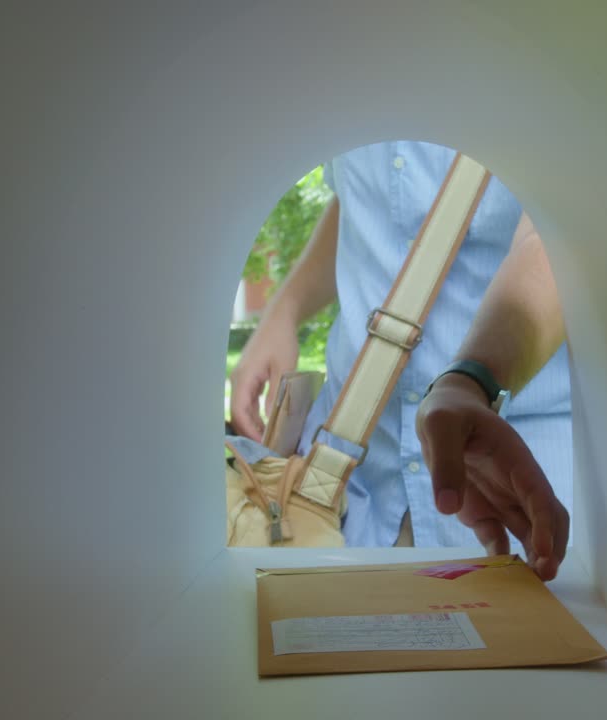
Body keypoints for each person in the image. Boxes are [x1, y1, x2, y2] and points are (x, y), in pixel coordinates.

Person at [230, 141, 571, 579]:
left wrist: (471, 380)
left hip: (508, 489)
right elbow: (361, 200)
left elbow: (555, 236)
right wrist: (284, 310)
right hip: (346, 491)